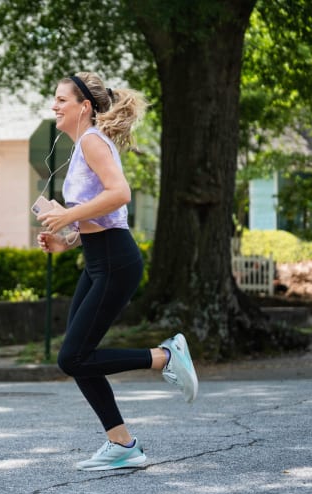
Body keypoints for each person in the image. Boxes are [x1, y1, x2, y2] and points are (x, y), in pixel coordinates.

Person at [37, 72, 199, 471]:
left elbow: (120, 193)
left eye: (61, 100)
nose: (54, 106)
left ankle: (165, 356)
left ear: (84, 107)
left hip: (115, 261)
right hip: (98, 259)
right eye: (54, 100)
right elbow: (103, 213)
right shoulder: (81, 147)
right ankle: (122, 444)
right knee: (78, 357)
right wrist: (68, 237)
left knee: (73, 357)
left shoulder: (92, 141)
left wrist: (67, 216)